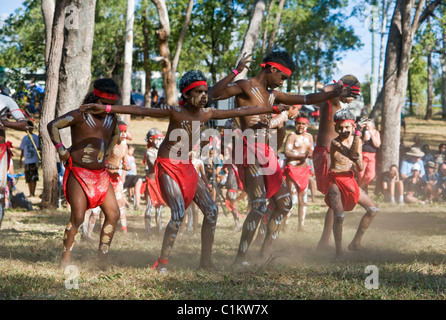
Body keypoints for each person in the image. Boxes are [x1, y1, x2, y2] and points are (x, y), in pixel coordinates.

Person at [80, 69, 291, 272]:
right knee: (179, 212)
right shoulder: (176, 112)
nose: (203, 96)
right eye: (198, 92)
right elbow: (141, 110)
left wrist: (271, 110)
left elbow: (240, 111)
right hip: (168, 165)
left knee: (212, 211)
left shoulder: (208, 113)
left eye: (205, 92)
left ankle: (206, 262)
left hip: (186, 165)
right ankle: (162, 262)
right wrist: (108, 109)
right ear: (186, 94)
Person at [208, 51, 358, 266]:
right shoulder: (244, 86)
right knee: (259, 205)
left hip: (267, 152)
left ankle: (264, 255)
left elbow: (307, 98)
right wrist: (235, 71)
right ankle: (239, 259)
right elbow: (214, 94)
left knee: (285, 203)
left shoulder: (274, 95)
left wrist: (335, 92)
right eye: (282, 78)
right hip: (248, 149)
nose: (282, 83)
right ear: (272, 69)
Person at [47, 78, 121, 269]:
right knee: (78, 217)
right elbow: (52, 125)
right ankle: (66, 256)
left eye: (112, 105)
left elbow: (116, 135)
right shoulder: (80, 115)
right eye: (105, 104)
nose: (108, 108)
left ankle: (102, 257)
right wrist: (61, 150)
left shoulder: (112, 118)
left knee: (113, 214)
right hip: (79, 172)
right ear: (95, 99)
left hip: (101, 174)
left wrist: (108, 153)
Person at [312, 75, 361, 250]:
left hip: (329, 154)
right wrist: (340, 86)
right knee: (335, 198)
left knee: (335, 199)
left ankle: (325, 241)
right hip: (326, 154)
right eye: (353, 95)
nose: (354, 100)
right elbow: (325, 90)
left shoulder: (335, 104)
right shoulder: (332, 101)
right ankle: (324, 242)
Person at [325, 108, 378, 259]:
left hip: (349, 180)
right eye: (340, 127)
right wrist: (358, 135)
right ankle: (339, 252)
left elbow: (359, 166)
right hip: (335, 181)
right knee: (339, 216)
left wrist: (358, 158)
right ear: (335, 128)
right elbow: (349, 154)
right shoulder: (335, 142)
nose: (343, 130)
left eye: (347, 127)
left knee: (373, 209)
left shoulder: (358, 141)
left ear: (353, 126)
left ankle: (356, 243)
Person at [0, 95, 30, 227]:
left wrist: (4, 122)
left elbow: (24, 125)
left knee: (0, 192)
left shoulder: (6, 100)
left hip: (0, 151)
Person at [283, 115, 313, 232]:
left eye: (303, 124)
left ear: (307, 125)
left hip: (304, 170)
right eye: (298, 123)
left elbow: (311, 150)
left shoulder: (309, 136)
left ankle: (301, 226)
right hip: (292, 169)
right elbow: (287, 152)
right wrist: (303, 155)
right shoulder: (292, 136)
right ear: (295, 124)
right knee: (293, 198)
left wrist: (310, 153)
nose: (301, 126)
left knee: (303, 199)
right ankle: (285, 223)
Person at [106, 120, 132, 234]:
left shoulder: (124, 147)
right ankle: (101, 228)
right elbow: (102, 162)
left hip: (116, 178)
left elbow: (125, 161)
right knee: (104, 206)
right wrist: (119, 166)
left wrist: (126, 166)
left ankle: (124, 229)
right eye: (121, 131)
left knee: (121, 203)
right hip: (105, 178)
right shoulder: (108, 145)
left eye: (125, 131)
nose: (123, 134)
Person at [141, 127, 166, 236]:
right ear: (151, 140)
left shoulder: (157, 151)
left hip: (159, 183)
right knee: (150, 207)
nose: (160, 142)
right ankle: (147, 230)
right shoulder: (150, 152)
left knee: (159, 207)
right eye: (158, 139)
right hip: (151, 182)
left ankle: (159, 229)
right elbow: (155, 165)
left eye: (162, 139)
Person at [357, 119, 381, 193]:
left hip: (372, 156)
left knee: (371, 175)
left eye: (368, 126)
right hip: (362, 155)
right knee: (361, 174)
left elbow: (377, 145)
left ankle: (360, 189)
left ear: (372, 126)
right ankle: (362, 193)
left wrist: (372, 135)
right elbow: (358, 145)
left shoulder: (376, 132)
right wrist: (363, 140)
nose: (366, 128)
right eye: (366, 126)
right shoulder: (362, 132)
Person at [19, 126, 40, 197]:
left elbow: (38, 147)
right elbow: (22, 149)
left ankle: (33, 192)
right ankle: (30, 192)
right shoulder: (25, 138)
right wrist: (20, 160)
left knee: (33, 177)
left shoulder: (35, 137)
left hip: (33, 160)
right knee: (28, 177)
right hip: (26, 161)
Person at [123, 144, 143, 210]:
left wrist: (136, 174)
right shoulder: (124, 156)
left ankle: (137, 204)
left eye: (133, 151)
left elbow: (134, 167)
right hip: (125, 176)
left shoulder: (132, 158)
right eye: (131, 150)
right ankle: (128, 204)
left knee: (139, 179)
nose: (132, 152)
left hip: (132, 176)